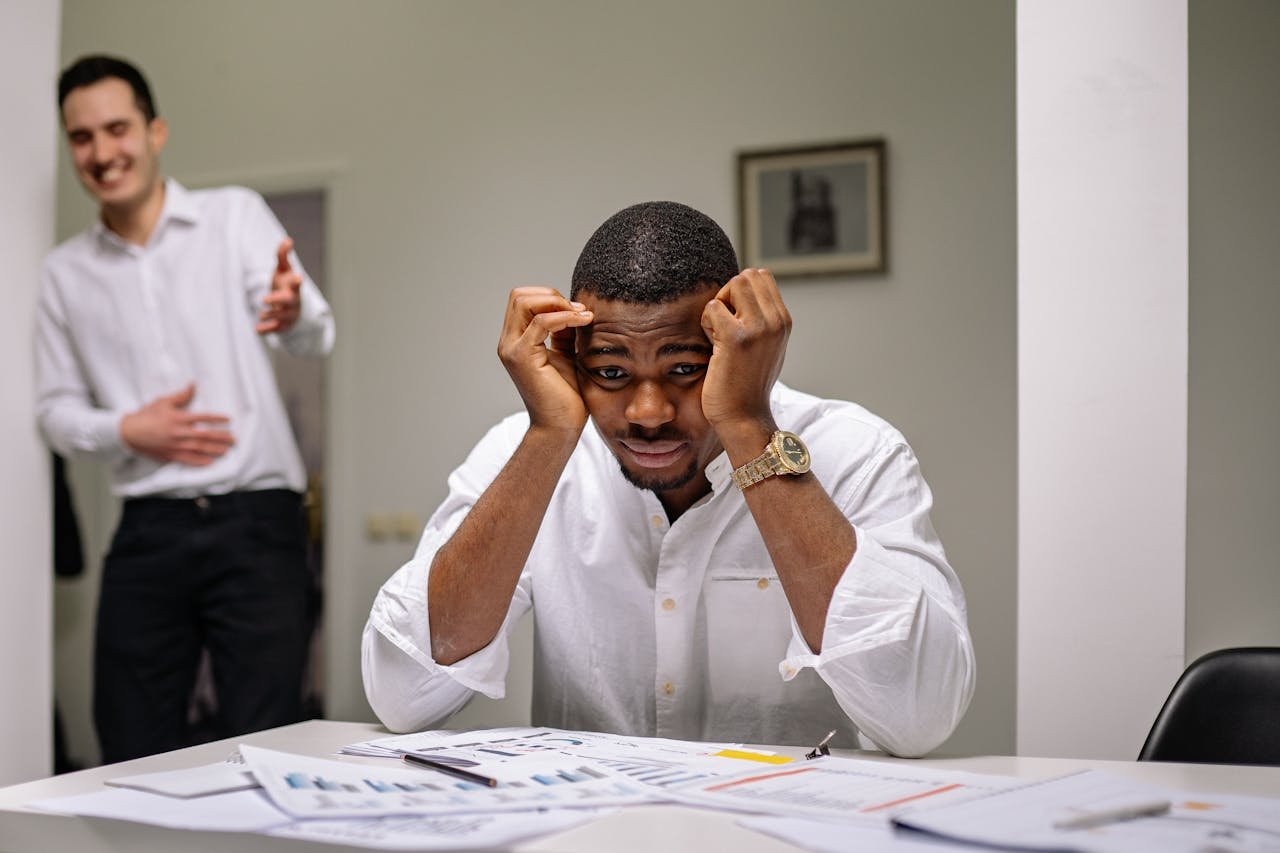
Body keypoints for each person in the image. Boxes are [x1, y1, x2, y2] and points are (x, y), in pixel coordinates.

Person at [362, 202, 972, 757]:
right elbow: (403, 696)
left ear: (737, 346)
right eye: (611, 371)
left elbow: (919, 716)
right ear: (572, 356)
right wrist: (548, 438)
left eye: (685, 369)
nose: (647, 413)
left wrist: (747, 423)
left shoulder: (856, 452)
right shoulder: (528, 452)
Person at [36, 55, 335, 763]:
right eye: (82, 138)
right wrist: (125, 429)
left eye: (118, 129)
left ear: (155, 129)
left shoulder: (234, 217)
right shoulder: (62, 273)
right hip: (149, 532)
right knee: (129, 740)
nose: (104, 153)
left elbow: (318, 334)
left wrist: (291, 311)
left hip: (258, 523)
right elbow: (52, 409)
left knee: (269, 742)